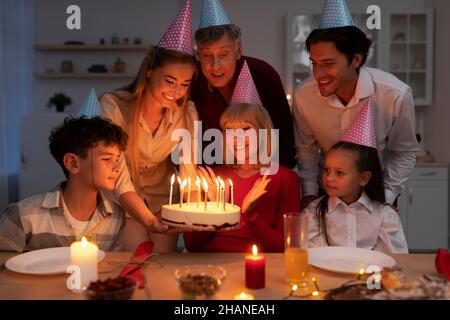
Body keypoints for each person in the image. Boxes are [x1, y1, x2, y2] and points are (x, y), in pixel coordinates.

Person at [292, 1, 419, 209]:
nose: (317, 74)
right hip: (328, 192)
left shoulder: (394, 95)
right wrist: (309, 194)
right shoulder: (304, 96)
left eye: (328, 64)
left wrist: (386, 198)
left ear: (356, 59)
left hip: (377, 190)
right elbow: (307, 149)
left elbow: (404, 152)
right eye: (314, 63)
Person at [99, 1, 199, 252]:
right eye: (169, 81)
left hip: (165, 204)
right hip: (124, 206)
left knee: (164, 267)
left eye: (185, 84)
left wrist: (194, 213)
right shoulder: (114, 107)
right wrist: (147, 219)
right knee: (136, 263)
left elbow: (189, 170)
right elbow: (118, 176)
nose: (176, 92)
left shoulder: (186, 114)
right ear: (149, 71)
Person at [190, 0, 296, 169]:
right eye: (207, 55)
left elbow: (285, 143)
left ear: (238, 50)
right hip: (210, 181)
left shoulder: (263, 76)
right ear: (197, 55)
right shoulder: (192, 81)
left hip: (263, 177)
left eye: (223, 54)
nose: (215, 65)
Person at [183, 102, 301, 253]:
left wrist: (249, 214)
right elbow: (192, 245)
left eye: (246, 129)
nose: (236, 138)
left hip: (259, 263)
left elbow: (285, 248)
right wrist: (216, 210)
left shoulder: (285, 178)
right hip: (211, 264)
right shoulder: (214, 178)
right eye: (230, 131)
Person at [0, 116, 128, 252]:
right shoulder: (24, 216)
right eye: (107, 158)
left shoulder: (116, 218)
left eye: (117, 159)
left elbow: (111, 267)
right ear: (72, 163)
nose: (117, 167)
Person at [304, 141, 408, 253]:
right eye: (327, 170)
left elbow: (394, 258)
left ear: (363, 178)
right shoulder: (313, 212)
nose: (329, 178)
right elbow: (312, 255)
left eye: (339, 173)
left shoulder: (385, 216)